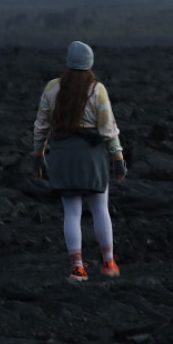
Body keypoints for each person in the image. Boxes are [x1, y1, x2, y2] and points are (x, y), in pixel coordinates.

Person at [31, 40, 127, 282]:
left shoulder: (52, 88)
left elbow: (41, 126)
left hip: (63, 156)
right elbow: (108, 128)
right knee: (99, 210)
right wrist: (118, 157)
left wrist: (38, 156)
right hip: (91, 157)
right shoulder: (97, 89)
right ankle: (109, 263)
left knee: (71, 213)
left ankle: (77, 268)